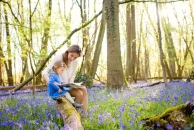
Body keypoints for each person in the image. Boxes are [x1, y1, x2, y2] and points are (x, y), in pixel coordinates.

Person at [42, 44, 88, 116]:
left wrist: (71, 80)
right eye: (72, 55)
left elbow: (73, 74)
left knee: (84, 89)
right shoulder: (59, 58)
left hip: (67, 85)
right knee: (79, 93)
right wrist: (51, 82)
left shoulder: (75, 62)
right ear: (68, 52)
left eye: (75, 57)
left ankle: (83, 115)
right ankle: (73, 116)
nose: (72, 58)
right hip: (59, 87)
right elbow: (44, 72)